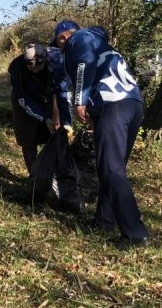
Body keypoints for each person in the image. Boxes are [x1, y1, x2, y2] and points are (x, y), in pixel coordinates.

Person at [54, 20, 150, 246]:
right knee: (113, 167)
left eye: (59, 44)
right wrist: (96, 117)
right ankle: (104, 220)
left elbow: (83, 65)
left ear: (63, 38)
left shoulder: (80, 38)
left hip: (113, 106)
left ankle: (135, 233)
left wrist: (80, 101)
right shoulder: (102, 44)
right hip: (132, 105)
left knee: (110, 169)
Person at [8, 43, 59, 175]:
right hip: (24, 100)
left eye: (39, 66)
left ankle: (53, 174)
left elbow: (59, 91)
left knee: (53, 135)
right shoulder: (17, 70)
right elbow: (23, 100)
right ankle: (35, 178)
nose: (35, 70)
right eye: (31, 67)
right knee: (28, 141)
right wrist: (43, 118)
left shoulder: (55, 62)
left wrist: (55, 114)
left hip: (46, 97)